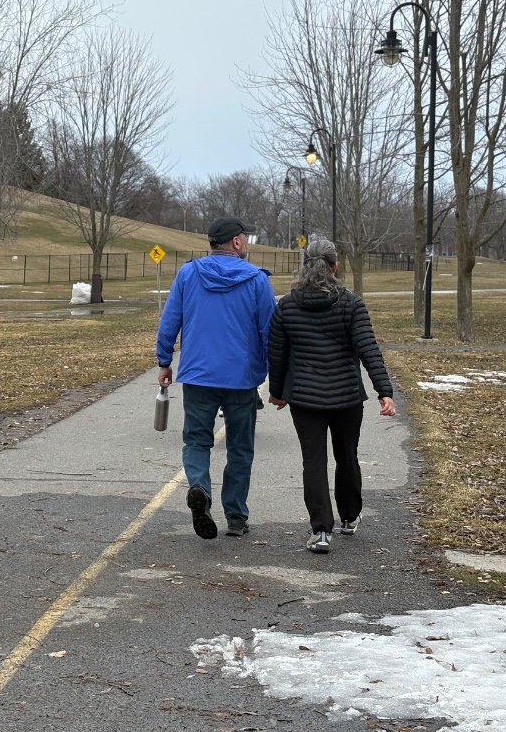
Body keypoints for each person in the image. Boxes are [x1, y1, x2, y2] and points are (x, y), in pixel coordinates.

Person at [267, 239, 396, 554]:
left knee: (313, 460)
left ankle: (320, 531)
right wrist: (384, 390)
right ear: (335, 266)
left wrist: (277, 392)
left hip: (305, 398)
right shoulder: (351, 303)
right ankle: (349, 516)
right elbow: (368, 349)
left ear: (304, 266)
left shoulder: (287, 305)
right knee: (346, 456)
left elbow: (277, 353)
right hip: (346, 397)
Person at [156, 216, 277, 540]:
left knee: (196, 440)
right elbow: (270, 331)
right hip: (241, 377)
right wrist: (275, 374)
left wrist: (164, 361)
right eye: (246, 238)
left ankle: (199, 487)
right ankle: (236, 516)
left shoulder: (188, 274)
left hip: (199, 374)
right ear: (236, 242)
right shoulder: (256, 280)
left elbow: (171, 321)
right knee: (240, 447)